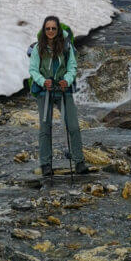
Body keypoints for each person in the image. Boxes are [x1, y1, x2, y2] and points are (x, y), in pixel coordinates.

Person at [28, 15, 89, 178]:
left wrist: (67, 80)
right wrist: (42, 81)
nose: (50, 31)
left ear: (58, 30)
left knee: (74, 126)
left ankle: (79, 162)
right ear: (44, 29)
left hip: (63, 90)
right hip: (44, 91)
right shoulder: (37, 48)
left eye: (53, 28)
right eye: (47, 28)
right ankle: (46, 164)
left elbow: (72, 67)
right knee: (45, 128)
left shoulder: (67, 46)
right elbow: (33, 69)